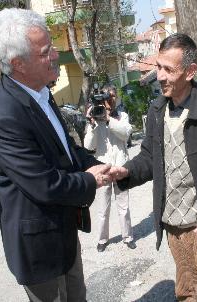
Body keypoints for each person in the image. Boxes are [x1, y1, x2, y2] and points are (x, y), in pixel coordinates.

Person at [0, 8, 112, 301]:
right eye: (45, 51)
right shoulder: (4, 113)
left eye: (52, 46)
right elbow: (44, 184)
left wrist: (98, 166)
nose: (55, 54)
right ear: (18, 64)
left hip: (64, 234)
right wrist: (90, 181)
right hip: (39, 251)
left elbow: (66, 150)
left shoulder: (41, 91)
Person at [110, 33, 197, 301]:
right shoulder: (157, 110)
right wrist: (126, 171)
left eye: (168, 69)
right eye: (158, 67)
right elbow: (150, 157)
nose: (160, 76)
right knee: (185, 292)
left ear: (190, 71)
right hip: (173, 228)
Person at [84, 86, 136, 252]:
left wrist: (108, 119)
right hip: (103, 169)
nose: (110, 99)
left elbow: (125, 134)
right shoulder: (95, 119)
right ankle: (102, 239)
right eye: (107, 97)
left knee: (124, 207)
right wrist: (91, 124)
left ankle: (128, 237)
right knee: (103, 208)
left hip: (120, 167)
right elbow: (88, 146)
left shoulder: (122, 116)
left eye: (112, 96)